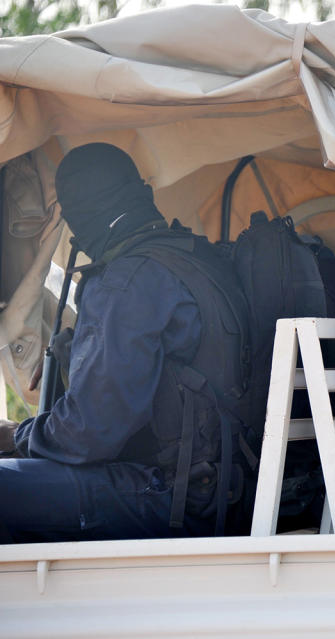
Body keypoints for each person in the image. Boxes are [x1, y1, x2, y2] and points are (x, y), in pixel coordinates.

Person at [0, 143, 253, 542]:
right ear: (141, 193)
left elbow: (89, 434)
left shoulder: (126, 281)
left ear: (75, 218)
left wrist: (18, 436)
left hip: (175, 496)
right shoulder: (195, 256)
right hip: (228, 487)